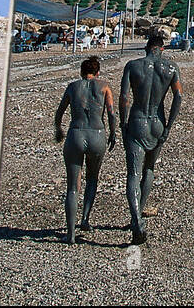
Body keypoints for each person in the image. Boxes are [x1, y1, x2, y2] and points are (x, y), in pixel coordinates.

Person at [118, 34, 183, 244]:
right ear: (161, 49)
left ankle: (136, 219)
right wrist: (169, 126)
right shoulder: (171, 67)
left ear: (147, 48)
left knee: (133, 173)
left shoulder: (133, 66)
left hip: (138, 120)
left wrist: (122, 123)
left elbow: (125, 97)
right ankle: (138, 211)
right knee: (149, 169)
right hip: (158, 121)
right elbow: (178, 97)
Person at [53, 56, 116, 243]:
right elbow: (111, 113)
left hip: (76, 133)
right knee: (92, 179)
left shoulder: (73, 87)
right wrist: (113, 133)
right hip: (97, 134)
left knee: (73, 187)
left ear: (81, 72)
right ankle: (85, 219)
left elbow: (60, 112)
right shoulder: (104, 86)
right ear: (98, 73)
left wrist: (59, 129)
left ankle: (70, 233)